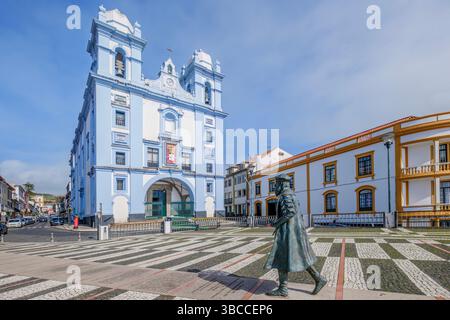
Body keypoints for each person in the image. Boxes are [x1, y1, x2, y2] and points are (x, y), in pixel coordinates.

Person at [265, 173, 327, 297]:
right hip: (294, 231)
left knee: (281, 257)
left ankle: (283, 288)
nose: (275, 187)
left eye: (276, 184)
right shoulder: (291, 194)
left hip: (288, 232)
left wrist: (276, 223)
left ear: (281, 184)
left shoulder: (285, 195)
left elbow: (290, 212)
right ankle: (318, 278)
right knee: (300, 257)